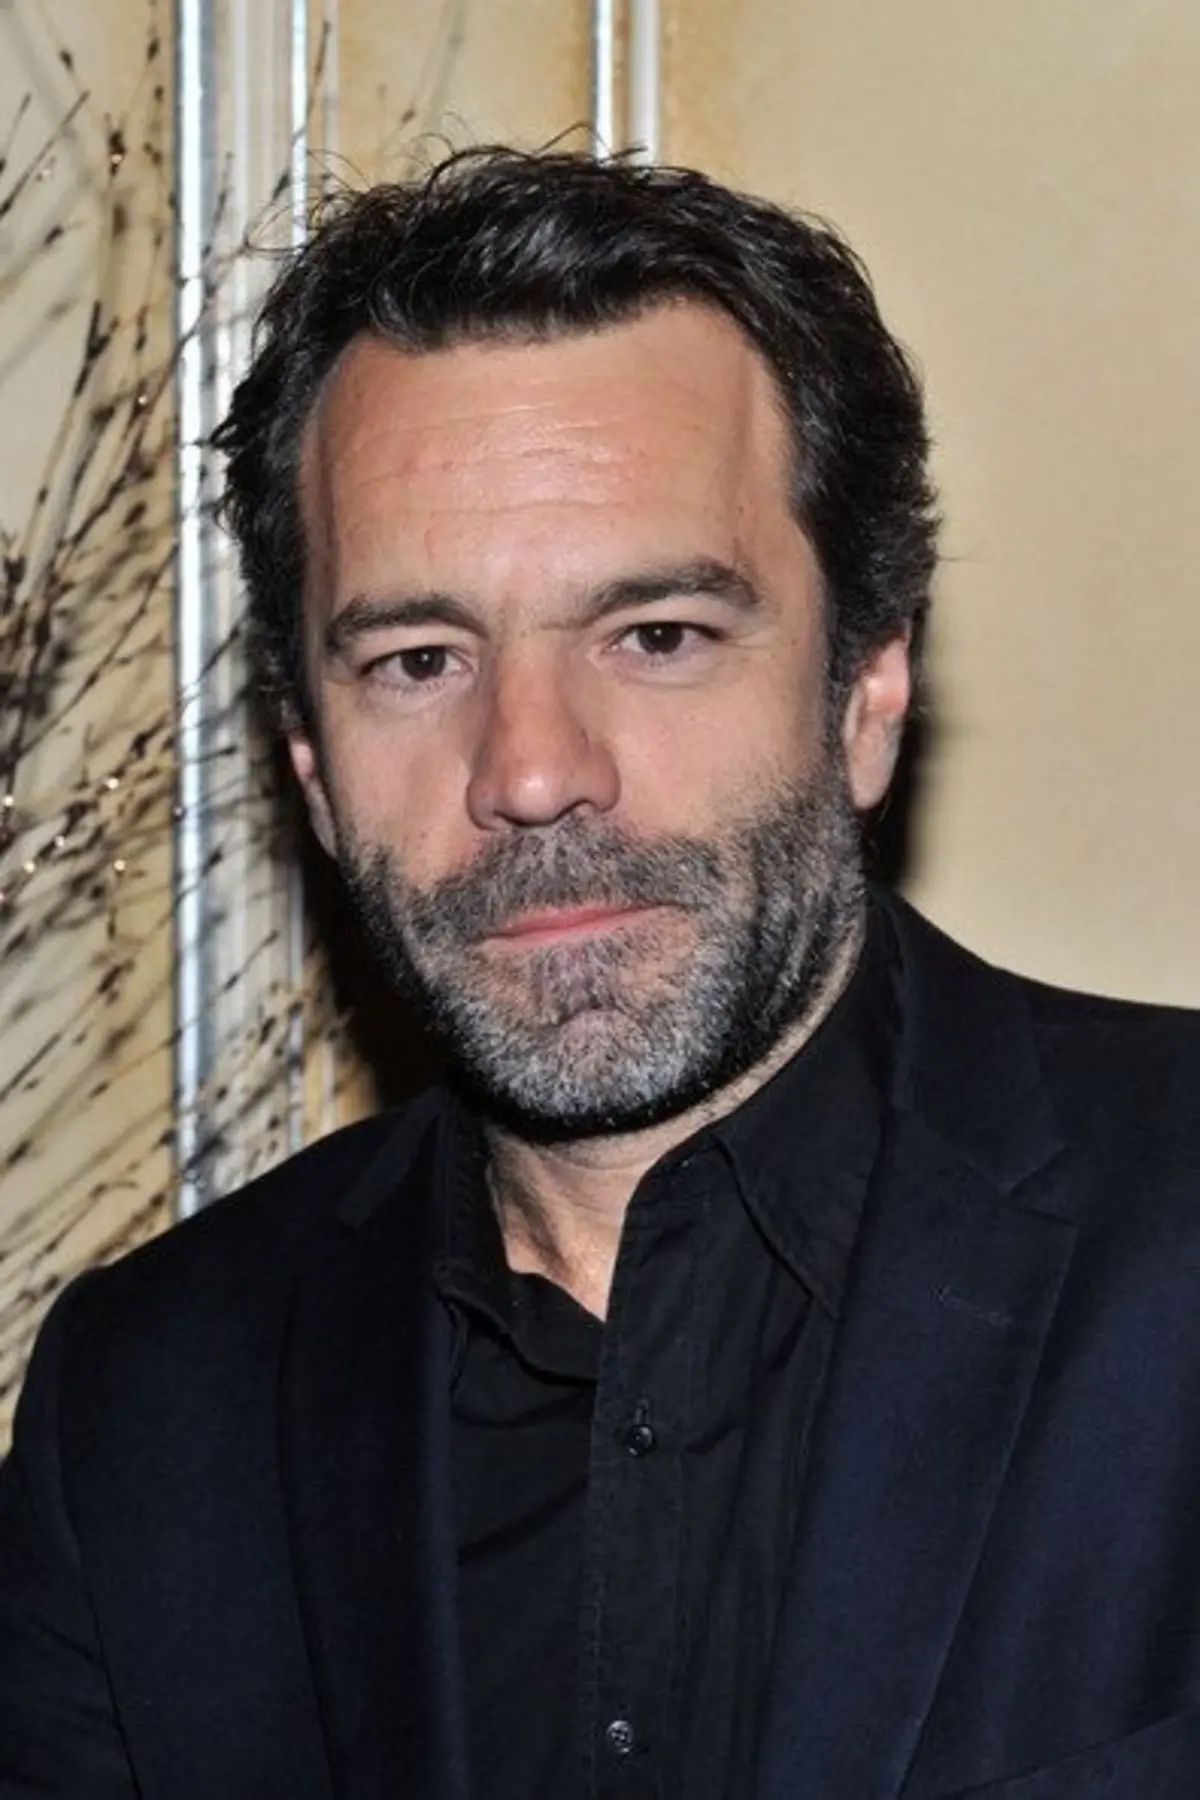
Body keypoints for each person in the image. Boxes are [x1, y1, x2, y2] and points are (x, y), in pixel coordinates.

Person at [1, 146, 1199, 1800]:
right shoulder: (150, 1403)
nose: (532, 769)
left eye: (656, 637)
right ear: (310, 764)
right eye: (419, 659)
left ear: (864, 692)